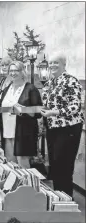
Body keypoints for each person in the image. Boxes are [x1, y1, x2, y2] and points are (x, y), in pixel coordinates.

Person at [41, 53, 84, 197]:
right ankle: (59, 197)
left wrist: (53, 112)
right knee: (55, 165)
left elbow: (75, 107)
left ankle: (67, 201)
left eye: (56, 63)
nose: (52, 65)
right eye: (51, 63)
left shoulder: (71, 81)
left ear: (64, 64)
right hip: (52, 128)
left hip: (68, 128)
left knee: (64, 166)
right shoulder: (49, 82)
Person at [0, 61, 42, 168]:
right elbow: (2, 110)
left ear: (22, 72)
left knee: (23, 164)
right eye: (11, 70)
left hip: (23, 132)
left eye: (16, 70)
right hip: (7, 130)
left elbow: (38, 112)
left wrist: (22, 109)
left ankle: (27, 184)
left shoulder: (30, 89)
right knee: (10, 164)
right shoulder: (6, 89)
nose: (13, 73)